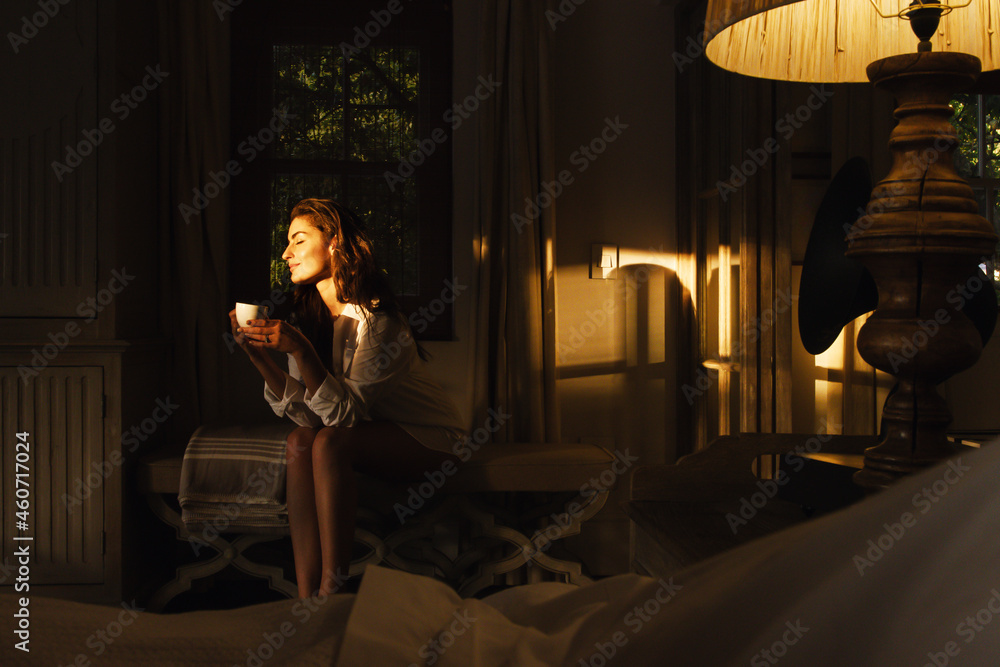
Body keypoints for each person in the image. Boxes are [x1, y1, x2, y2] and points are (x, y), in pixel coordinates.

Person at [228, 198, 465, 597]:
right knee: (300, 441)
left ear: (334, 242)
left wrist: (300, 350)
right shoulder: (309, 320)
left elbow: (342, 418)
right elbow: (309, 418)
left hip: (434, 439)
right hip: (366, 434)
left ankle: (331, 591)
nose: (286, 254)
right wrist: (259, 357)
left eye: (298, 240)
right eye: (287, 243)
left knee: (329, 441)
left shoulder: (379, 322)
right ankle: (306, 597)